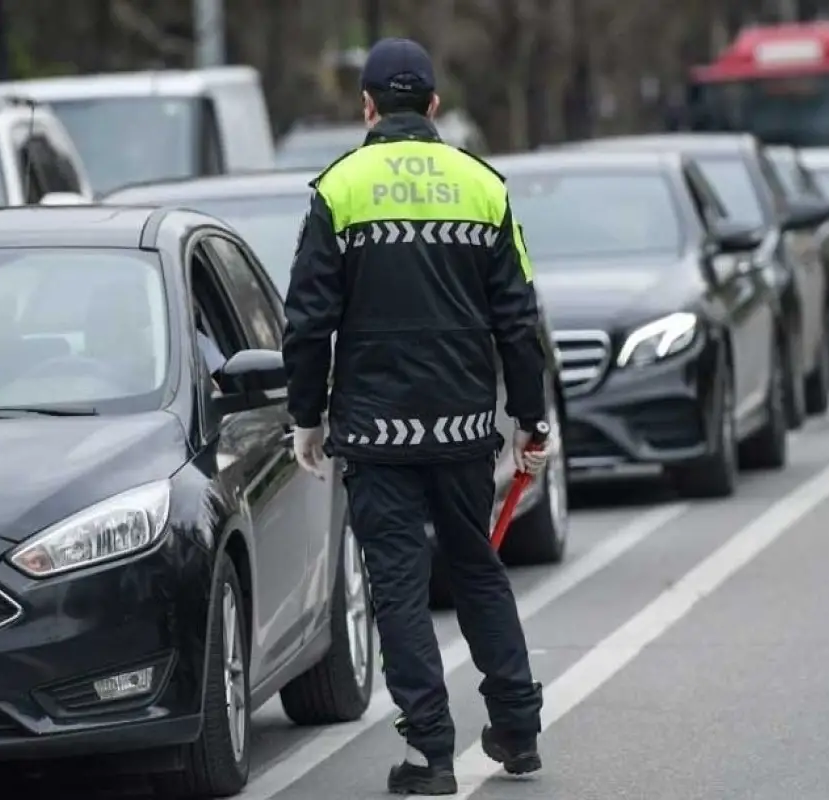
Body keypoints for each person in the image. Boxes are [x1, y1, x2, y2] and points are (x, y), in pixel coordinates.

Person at [282, 37, 550, 796]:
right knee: (476, 569)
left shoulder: (340, 188)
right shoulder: (482, 185)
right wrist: (530, 421)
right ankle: (518, 730)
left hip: (374, 431)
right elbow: (518, 318)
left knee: (396, 587)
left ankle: (431, 754)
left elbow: (307, 322)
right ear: (433, 105)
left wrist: (307, 417)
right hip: (465, 427)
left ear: (366, 107)